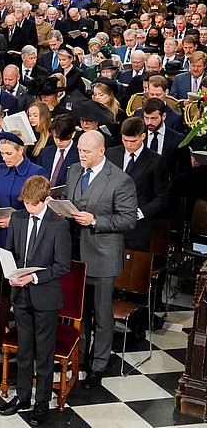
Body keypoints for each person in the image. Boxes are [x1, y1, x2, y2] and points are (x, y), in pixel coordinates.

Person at [61, 129, 137, 389]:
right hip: (74, 255)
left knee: (102, 316)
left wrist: (95, 221)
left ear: (101, 151)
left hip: (103, 257)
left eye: (86, 151)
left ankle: (98, 365)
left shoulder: (120, 180)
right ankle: (77, 358)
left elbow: (128, 219)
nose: (81, 155)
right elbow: (68, 200)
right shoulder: (73, 170)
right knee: (77, 312)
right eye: (79, 150)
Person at [0, 176, 71, 426]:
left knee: (44, 352)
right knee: (24, 349)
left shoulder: (58, 225)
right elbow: (9, 253)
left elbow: (62, 266)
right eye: (26, 203)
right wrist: (11, 274)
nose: (29, 208)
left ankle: (41, 403)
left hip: (45, 296)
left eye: (33, 204)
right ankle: (22, 396)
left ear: (46, 200)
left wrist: (33, 278)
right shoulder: (17, 218)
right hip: (20, 295)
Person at [107, 117, 170, 252]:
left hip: (137, 228)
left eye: (133, 141)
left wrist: (141, 213)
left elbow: (162, 196)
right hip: (110, 224)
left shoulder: (155, 161)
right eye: (125, 140)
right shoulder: (111, 154)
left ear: (143, 136)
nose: (128, 145)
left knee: (132, 270)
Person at [0, 132, 48, 248]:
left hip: (23, 234)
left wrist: (14, 221)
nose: (4, 158)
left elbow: (39, 208)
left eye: (8, 154)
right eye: (2, 154)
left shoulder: (37, 172)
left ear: (20, 151)